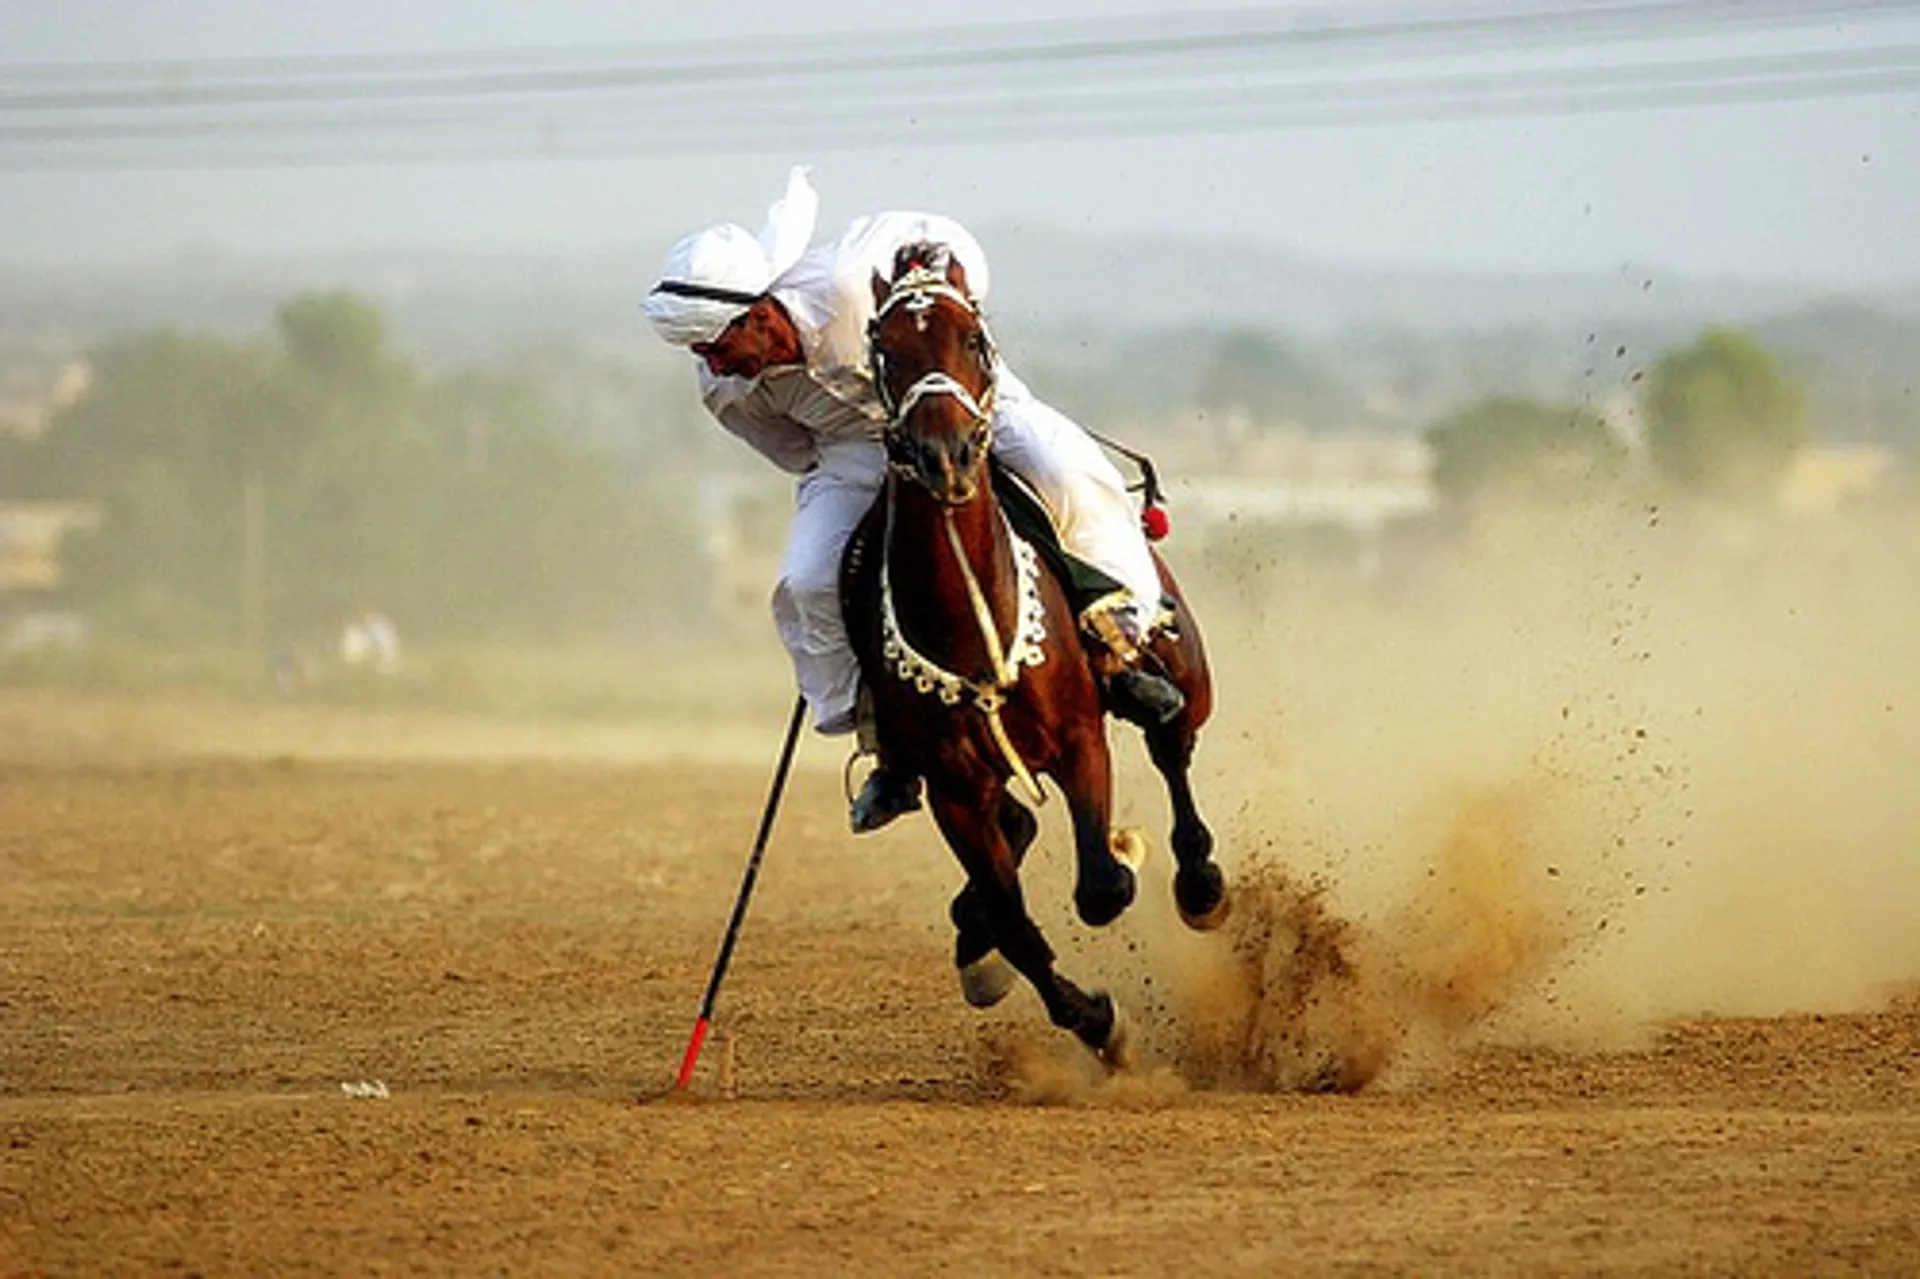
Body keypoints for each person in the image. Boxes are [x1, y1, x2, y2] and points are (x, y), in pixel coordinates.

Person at [643, 166, 1183, 833]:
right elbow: (795, 452)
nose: (714, 365)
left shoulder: (844, 282)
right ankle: (884, 745)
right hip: (853, 450)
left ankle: (1126, 645)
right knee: (805, 581)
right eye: (701, 353)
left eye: (719, 347)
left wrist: (948, 292)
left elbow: (936, 237)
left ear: (758, 313)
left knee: (1070, 474)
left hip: (963, 404)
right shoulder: (725, 391)